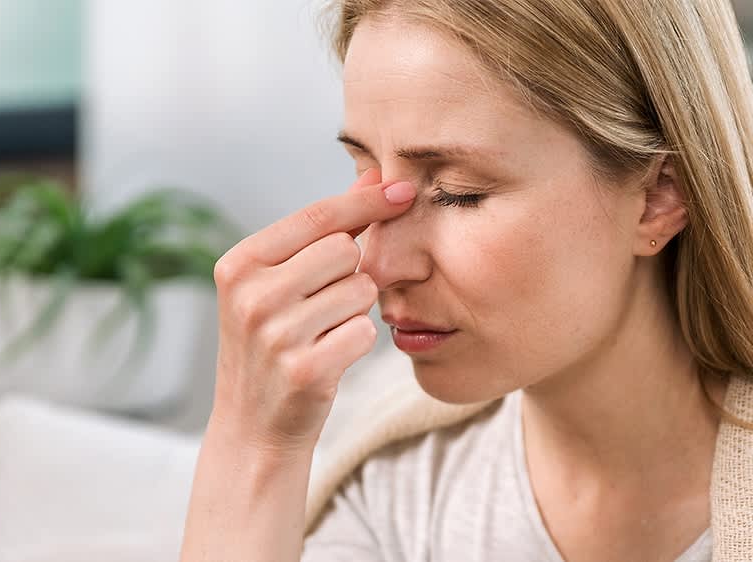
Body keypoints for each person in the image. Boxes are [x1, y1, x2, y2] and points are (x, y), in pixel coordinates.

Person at [178, 0, 753, 560]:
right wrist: (252, 445)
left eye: (459, 192)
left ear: (658, 197)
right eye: (366, 176)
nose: (378, 264)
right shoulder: (396, 485)